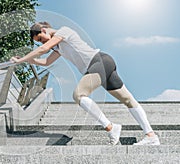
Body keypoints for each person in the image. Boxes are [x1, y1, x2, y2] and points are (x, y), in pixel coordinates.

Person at [10, 22, 160, 145]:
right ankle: (151, 136)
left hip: (98, 62)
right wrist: (29, 60)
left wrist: (20, 60)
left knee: (78, 95)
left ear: (44, 29)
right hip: (104, 64)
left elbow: (43, 50)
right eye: (39, 42)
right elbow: (46, 61)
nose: (42, 42)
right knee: (128, 99)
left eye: (40, 38)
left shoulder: (64, 31)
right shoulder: (57, 46)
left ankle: (111, 127)